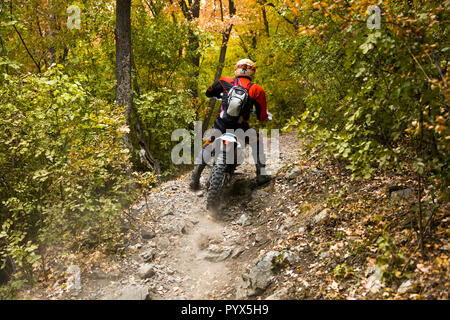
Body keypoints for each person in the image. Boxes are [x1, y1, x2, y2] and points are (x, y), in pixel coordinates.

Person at [189, 58, 271, 190]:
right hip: (241, 127)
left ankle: (195, 178)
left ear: (236, 68)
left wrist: (219, 95)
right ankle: (261, 175)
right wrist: (262, 114)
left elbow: (209, 92)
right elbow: (262, 117)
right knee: (256, 140)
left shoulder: (225, 81)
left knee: (209, 143)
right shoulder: (257, 90)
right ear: (252, 71)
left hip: (221, 124)